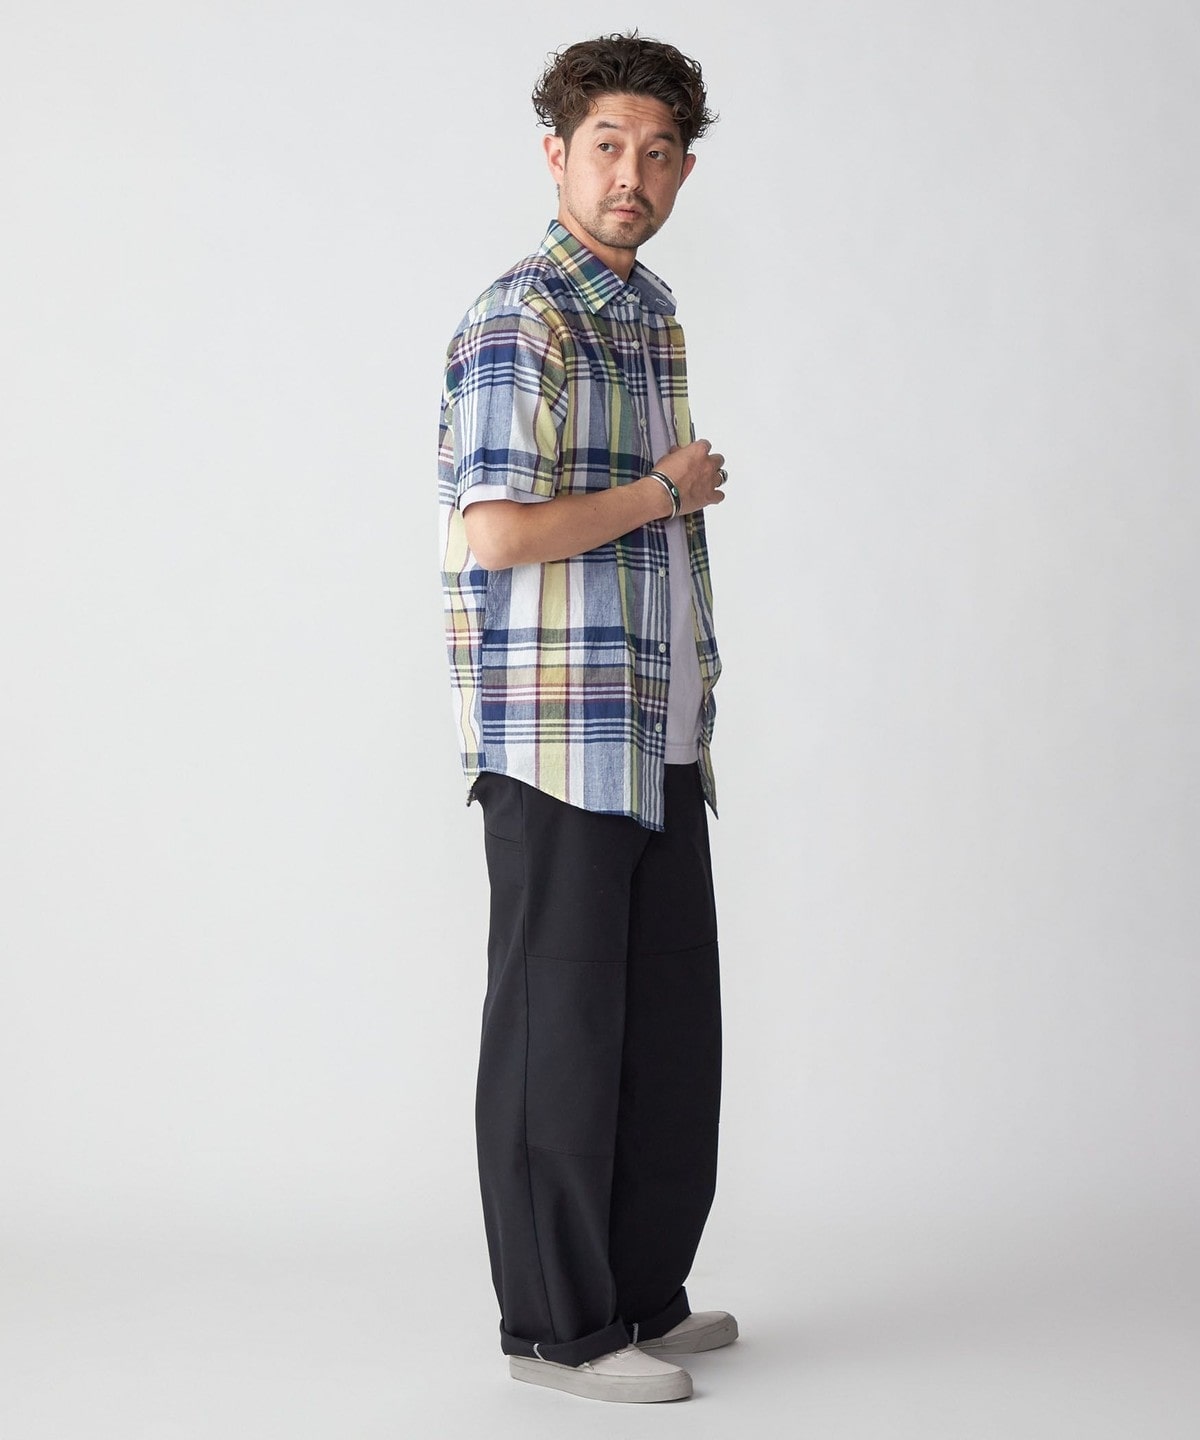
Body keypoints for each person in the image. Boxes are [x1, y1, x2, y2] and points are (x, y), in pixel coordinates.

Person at [437, 32, 734, 1405]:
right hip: (560, 739)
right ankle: (555, 1332)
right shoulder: (525, 316)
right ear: (556, 154)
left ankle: (636, 1299)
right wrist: (667, 492)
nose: (633, 174)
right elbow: (496, 532)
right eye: (608, 145)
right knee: (558, 1041)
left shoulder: (648, 308)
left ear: (682, 171)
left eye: (659, 152)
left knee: (666, 1035)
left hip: (659, 731)